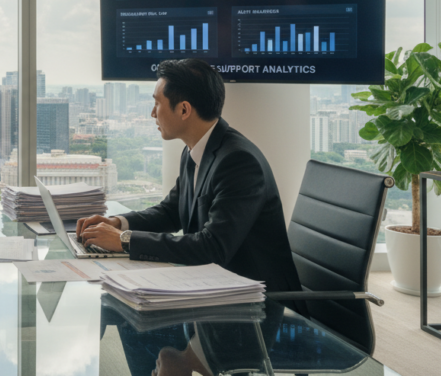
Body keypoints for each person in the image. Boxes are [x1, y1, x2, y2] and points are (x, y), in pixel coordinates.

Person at [77, 58, 302, 295]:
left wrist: (125, 239)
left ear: (184, 109)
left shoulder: (238, 162)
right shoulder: (195, 150)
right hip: (215, 288)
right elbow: (171, 212)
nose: (152, 112)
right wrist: (118, 223)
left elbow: (213, 246)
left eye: (157, 103)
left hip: (261, 304)